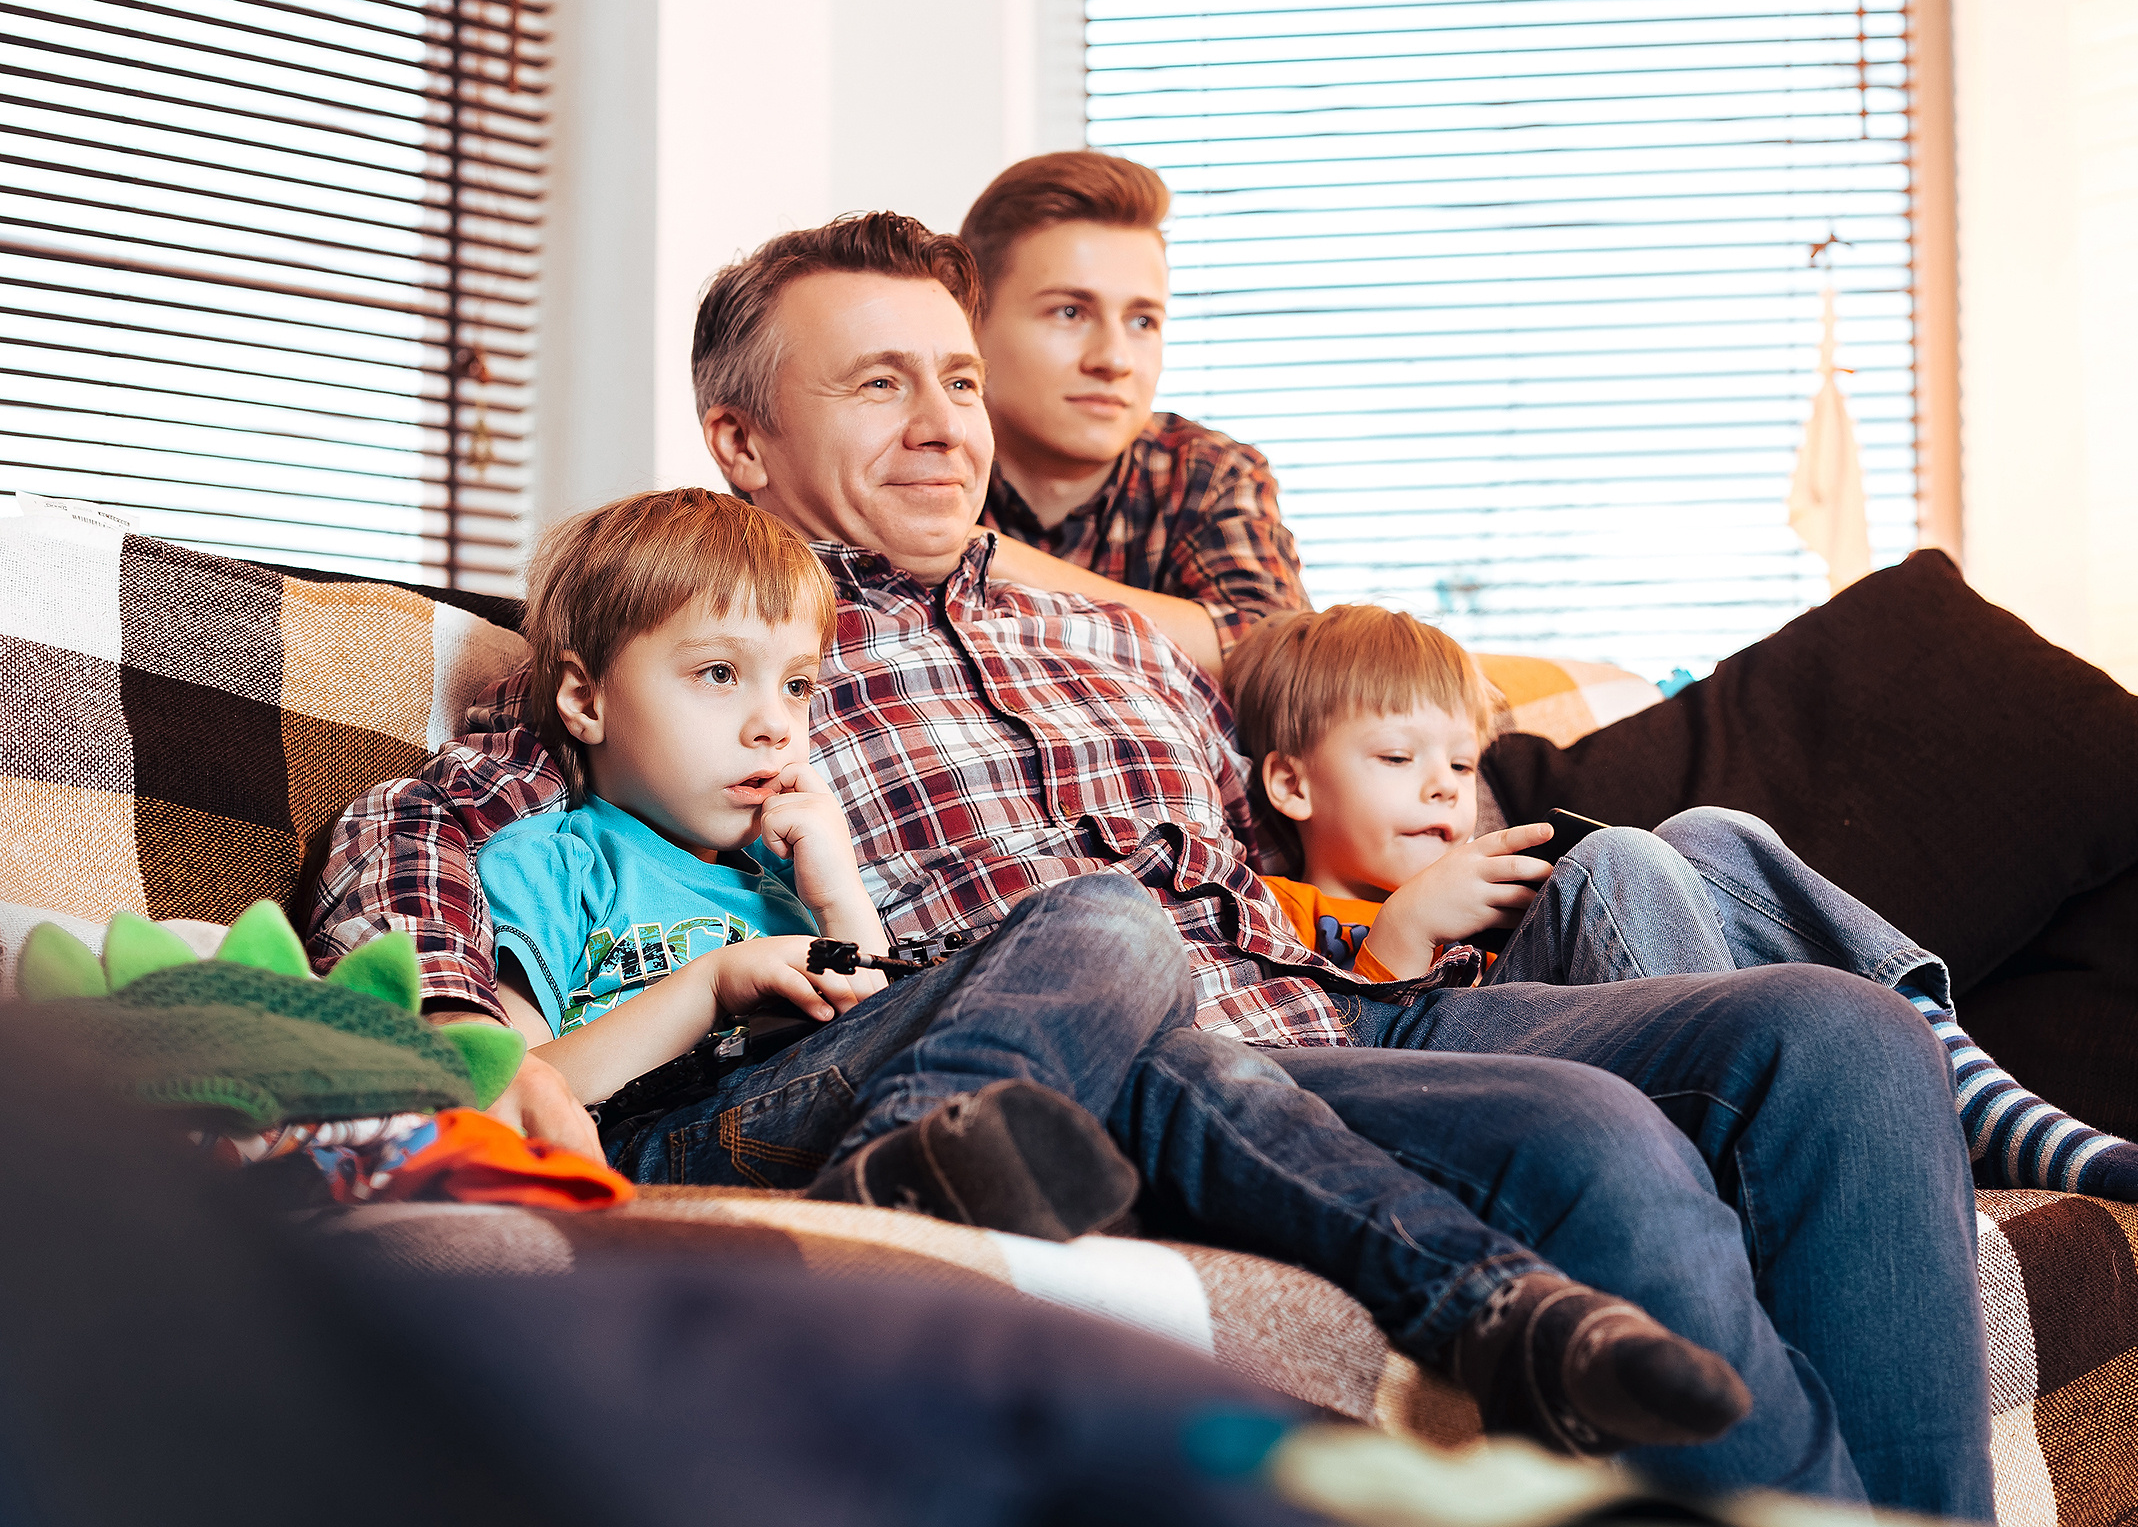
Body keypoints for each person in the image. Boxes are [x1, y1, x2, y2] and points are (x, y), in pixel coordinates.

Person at [309, 212, 1994, 1519]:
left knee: (1842, 1038)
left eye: (957, 375)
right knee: (1593, 1141)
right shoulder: (731, 637)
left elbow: (1340, 761)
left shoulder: (1119, 634)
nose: (940, 421)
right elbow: (456, 821)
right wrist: (479, 1038)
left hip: (1344, 1014)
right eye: (875, 382)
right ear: (744, 440)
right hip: (1120, 1066)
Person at [471, 484, 1750, 1457]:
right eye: (716, 677)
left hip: (834, 1096)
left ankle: (1499, 1308)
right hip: (678, 1135)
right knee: (1110, 920)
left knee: (1173, 1058)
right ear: (583, 701)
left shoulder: (778, 864)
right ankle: (908, 1181)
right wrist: (707, 984)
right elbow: (520, 1093)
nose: (770, 721)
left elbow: (872, 999)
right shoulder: (550, 858)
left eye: (797, 685)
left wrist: (828, 888)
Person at [1222, 605, 2138, 1203]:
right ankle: (1766, 1143)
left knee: (1708, 833)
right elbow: (1314, 1085)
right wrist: (1401, 933)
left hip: (1586, 1045)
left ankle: (1956, 1072)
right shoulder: (1269, 909)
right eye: (1398, 759)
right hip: (1478, 1098)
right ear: (1294, 786)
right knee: (1622, 862)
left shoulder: (1501, 891)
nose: (1445, 789)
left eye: (1463, 764)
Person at [962, 151, 1310, 676]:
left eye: (1143, 321)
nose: (1115, 359)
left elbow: (1277, 661)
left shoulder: (1205, 472)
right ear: (970, 318)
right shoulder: (908, 463)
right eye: (1070, 312)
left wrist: (984, 556)